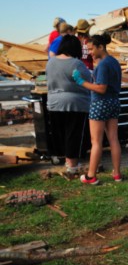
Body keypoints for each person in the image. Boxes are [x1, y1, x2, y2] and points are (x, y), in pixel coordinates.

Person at [72, 34, 123, 185]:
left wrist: (81, 82)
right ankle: (117, 174)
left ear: (100, 47)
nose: (90, 53)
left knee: (96, 142)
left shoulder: (103, 64)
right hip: (114, 102)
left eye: (91, 49)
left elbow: (101, 88)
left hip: (100, 103)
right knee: (114, 139)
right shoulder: (113, 62)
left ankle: (90, 176)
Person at [46, 35, 91, 175]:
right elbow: (87, 81)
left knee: (62, 133)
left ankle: (68, 162)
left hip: (54, 103)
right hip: (75, 103)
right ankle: (72, 167)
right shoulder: (76, 64)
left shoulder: (50, 62)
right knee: (74, 134)